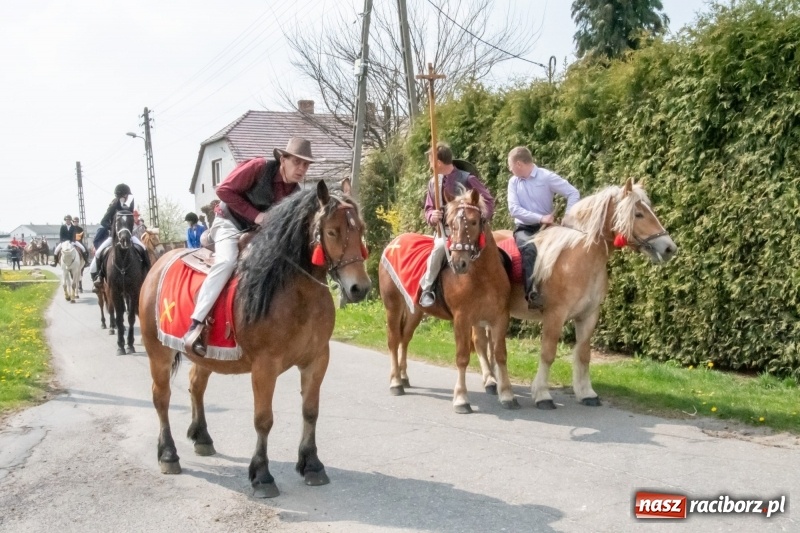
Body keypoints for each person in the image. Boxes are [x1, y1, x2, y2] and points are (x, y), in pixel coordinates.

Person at [183, 137, 321, 357]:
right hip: (229, 222)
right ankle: (196, 324)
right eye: (297, 162)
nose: (302, 169)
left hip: (258, 233)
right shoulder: (257, 167)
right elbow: (223, 191)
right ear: (283, 159)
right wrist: (256, 216)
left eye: (306, 165)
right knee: (227, 262)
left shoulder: (295, 193)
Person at [418, 142, 495, 308]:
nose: (430, 165)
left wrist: (481, 220)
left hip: (470, 230)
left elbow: (488, 200)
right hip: (446, 231)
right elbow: (428, 208)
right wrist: (433, 216)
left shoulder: (468, 179)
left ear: (438, 162)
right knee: (439, 248)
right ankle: (428, 288)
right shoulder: (433, 183)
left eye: (431, 161)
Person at [507, 146, 580, 309]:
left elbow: (573, 193)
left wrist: (568, 216)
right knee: (529, 248)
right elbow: (514, 209)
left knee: (568, 249)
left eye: (510, 166)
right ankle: (532, 294)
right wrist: (541, 217)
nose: (510, 170)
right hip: (524, 228)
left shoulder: (546, 177)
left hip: (548, 229)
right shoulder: (513, 182)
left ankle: (569, 292)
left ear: (519, 164)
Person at [88, 183, 148, 288]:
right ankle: (99, 276)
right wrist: (113, 230)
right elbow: (104, 221)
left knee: (143, 248)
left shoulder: (126, 206)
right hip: (114, 236)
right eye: (127, 195)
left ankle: (148, 273)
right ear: (123, 195)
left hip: (128, 235)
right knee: (98, 253)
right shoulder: (114, 205)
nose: (128, 197)